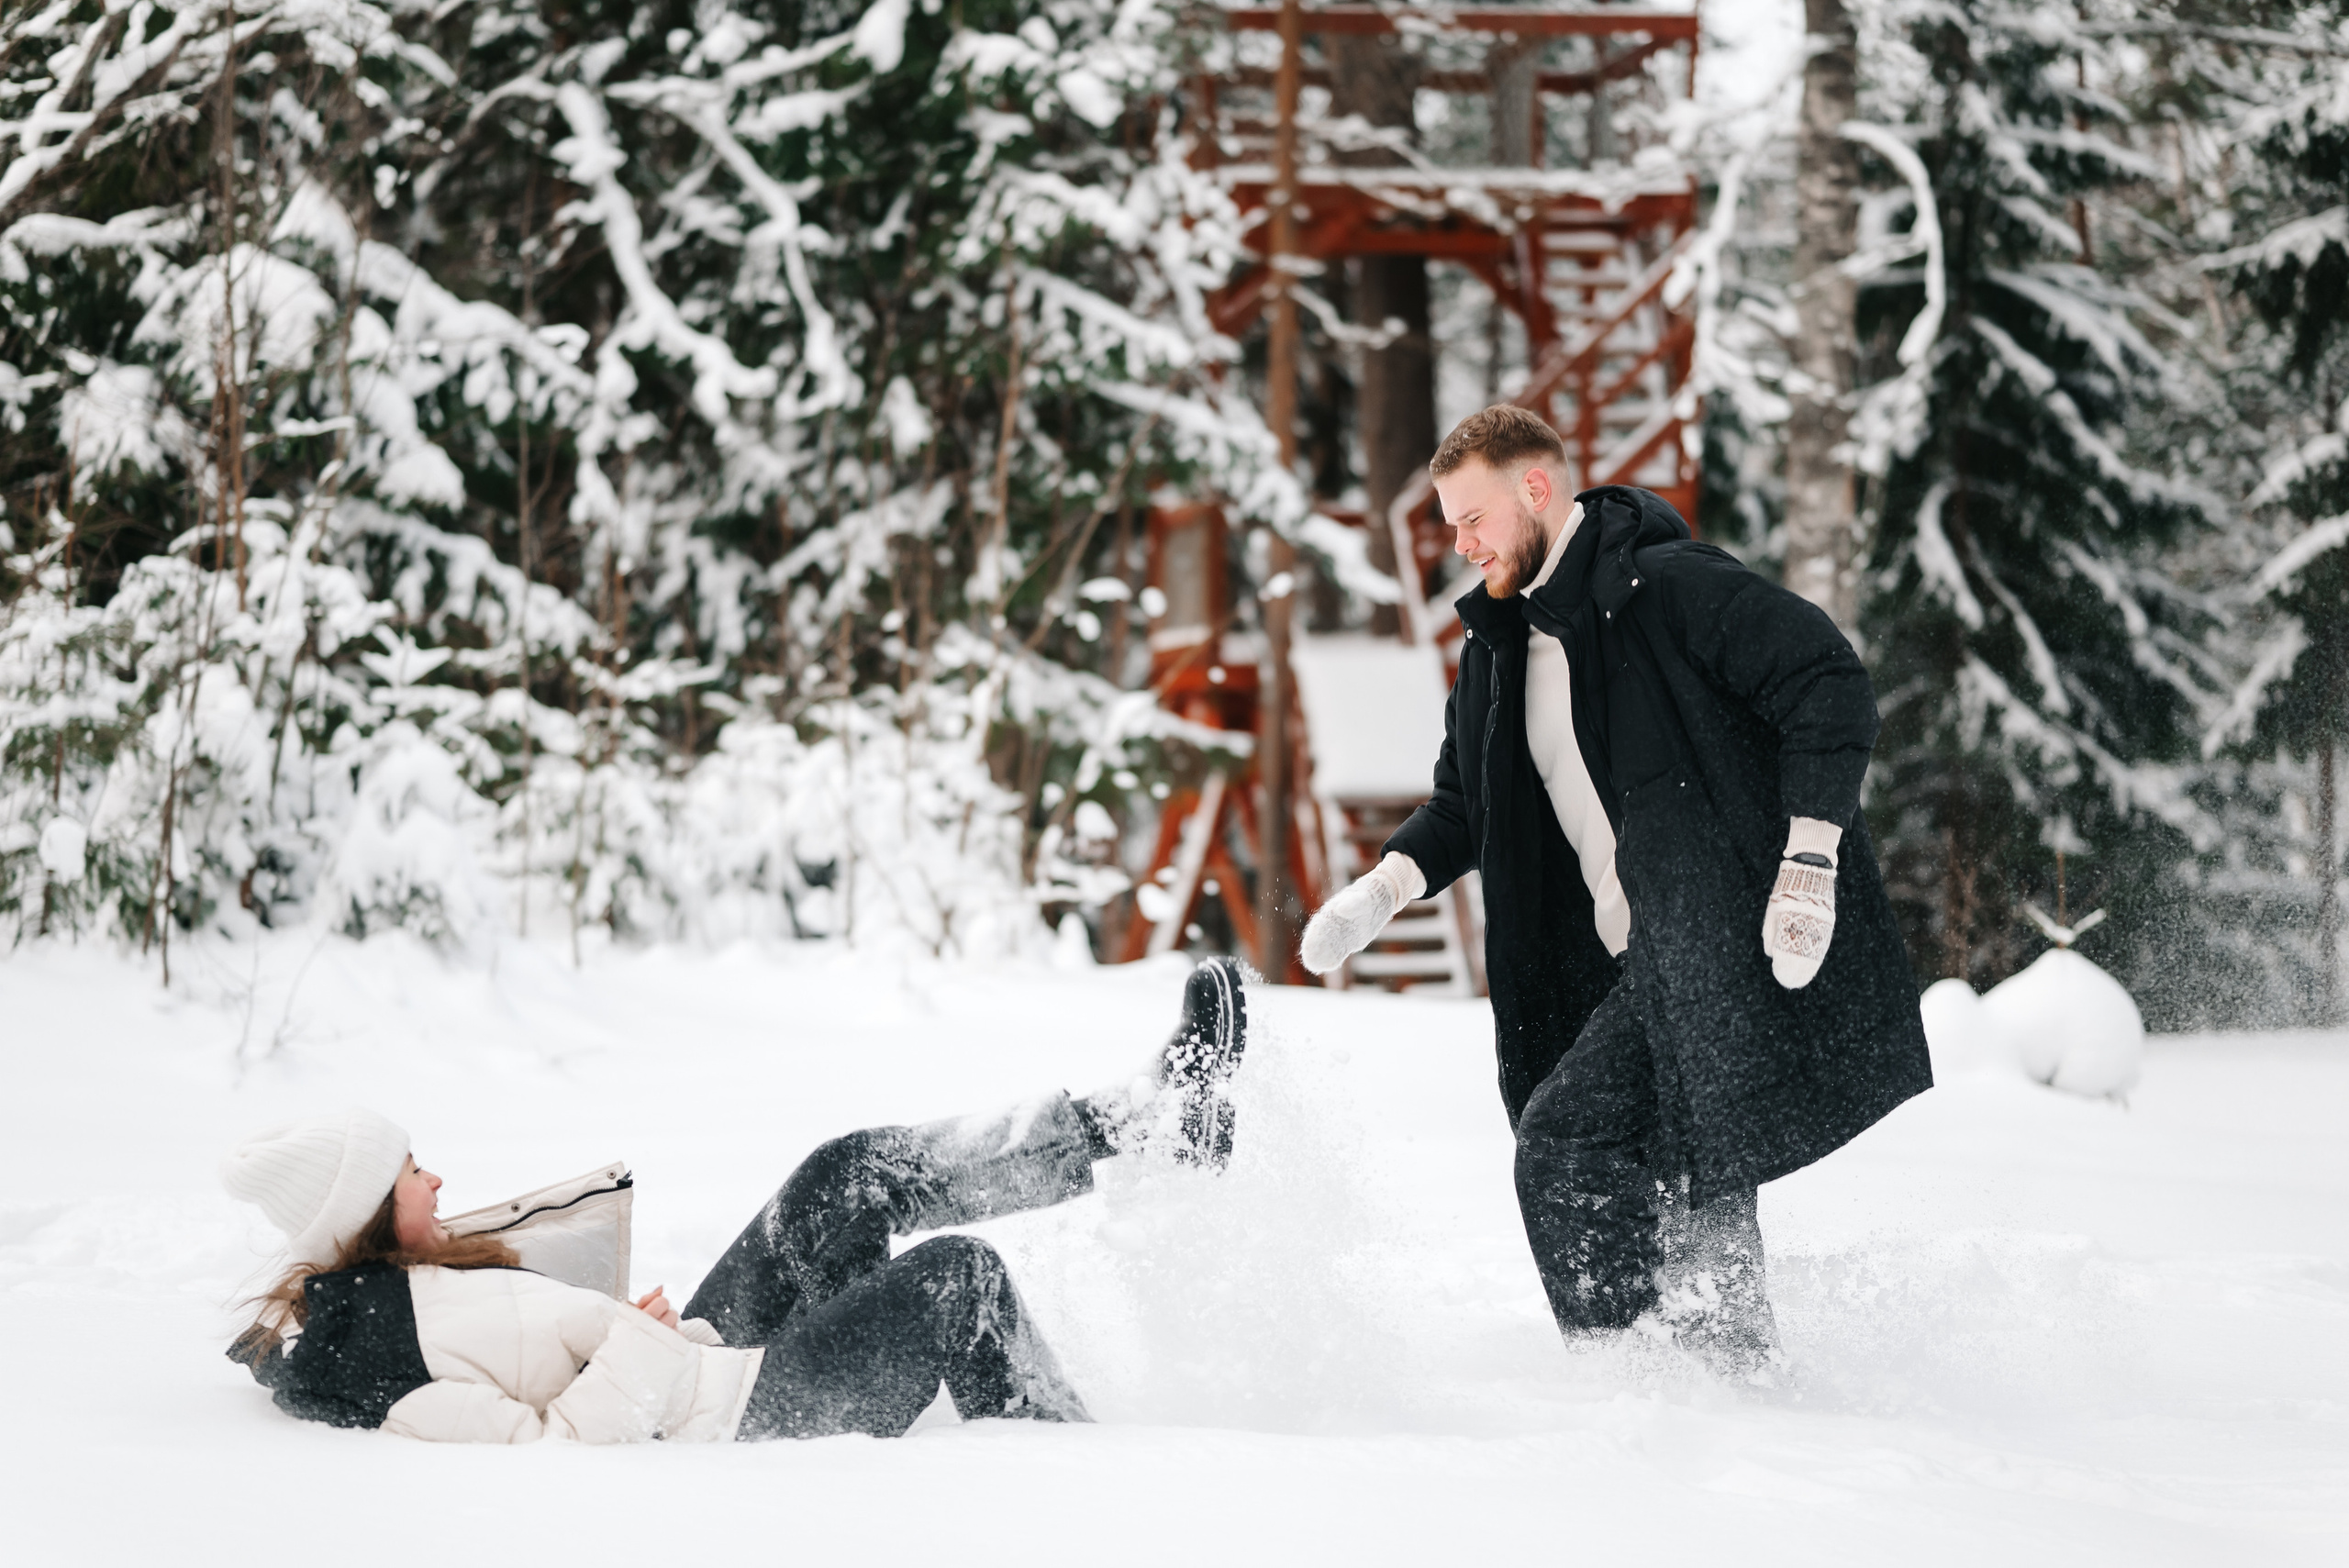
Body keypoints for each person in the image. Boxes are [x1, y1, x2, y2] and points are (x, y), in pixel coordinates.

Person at [1301, 406, 1930, 1374]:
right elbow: (1464, 803)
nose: (1460, 545)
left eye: (1472, 519)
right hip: (1627, 966)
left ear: (1535, 489)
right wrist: (1383, 888)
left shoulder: (1668, 587)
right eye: (1451, 526)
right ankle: (1739, 1390)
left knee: (1565, 1144)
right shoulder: (1499, 650)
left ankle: (1627, 1384)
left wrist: (1809, 859)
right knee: (1689, 1187)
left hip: (1716, 941)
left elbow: (1826, 680)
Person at [222, 957, 1249, 1441]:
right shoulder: (387, 1357)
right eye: (412, 1171)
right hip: (737, 1420)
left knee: (842, 1172)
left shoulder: (416, 1275)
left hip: (703, 1360)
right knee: (958, 1280)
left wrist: (636, 1331)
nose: (436, 1177)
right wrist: (631, 1342)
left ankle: (1147, 1122)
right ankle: (1070, 1467)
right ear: (368, 1207)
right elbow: (556, 1457)